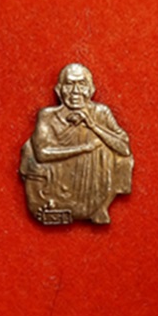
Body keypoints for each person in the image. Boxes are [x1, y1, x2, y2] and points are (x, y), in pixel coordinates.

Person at [20, 63, 133, 224]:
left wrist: (93, 126)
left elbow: (124, 149)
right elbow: (42, 154)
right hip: (54, 182)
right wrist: (84, 149)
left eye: (82, 84)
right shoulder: (48, 116)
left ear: (91, 90)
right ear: (59, 90)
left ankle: (99, 206)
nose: (75, 91)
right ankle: (50, 204)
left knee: (110, 148)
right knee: (29, 150)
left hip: (95, 181)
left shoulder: (100, 113)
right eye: (69, 84)